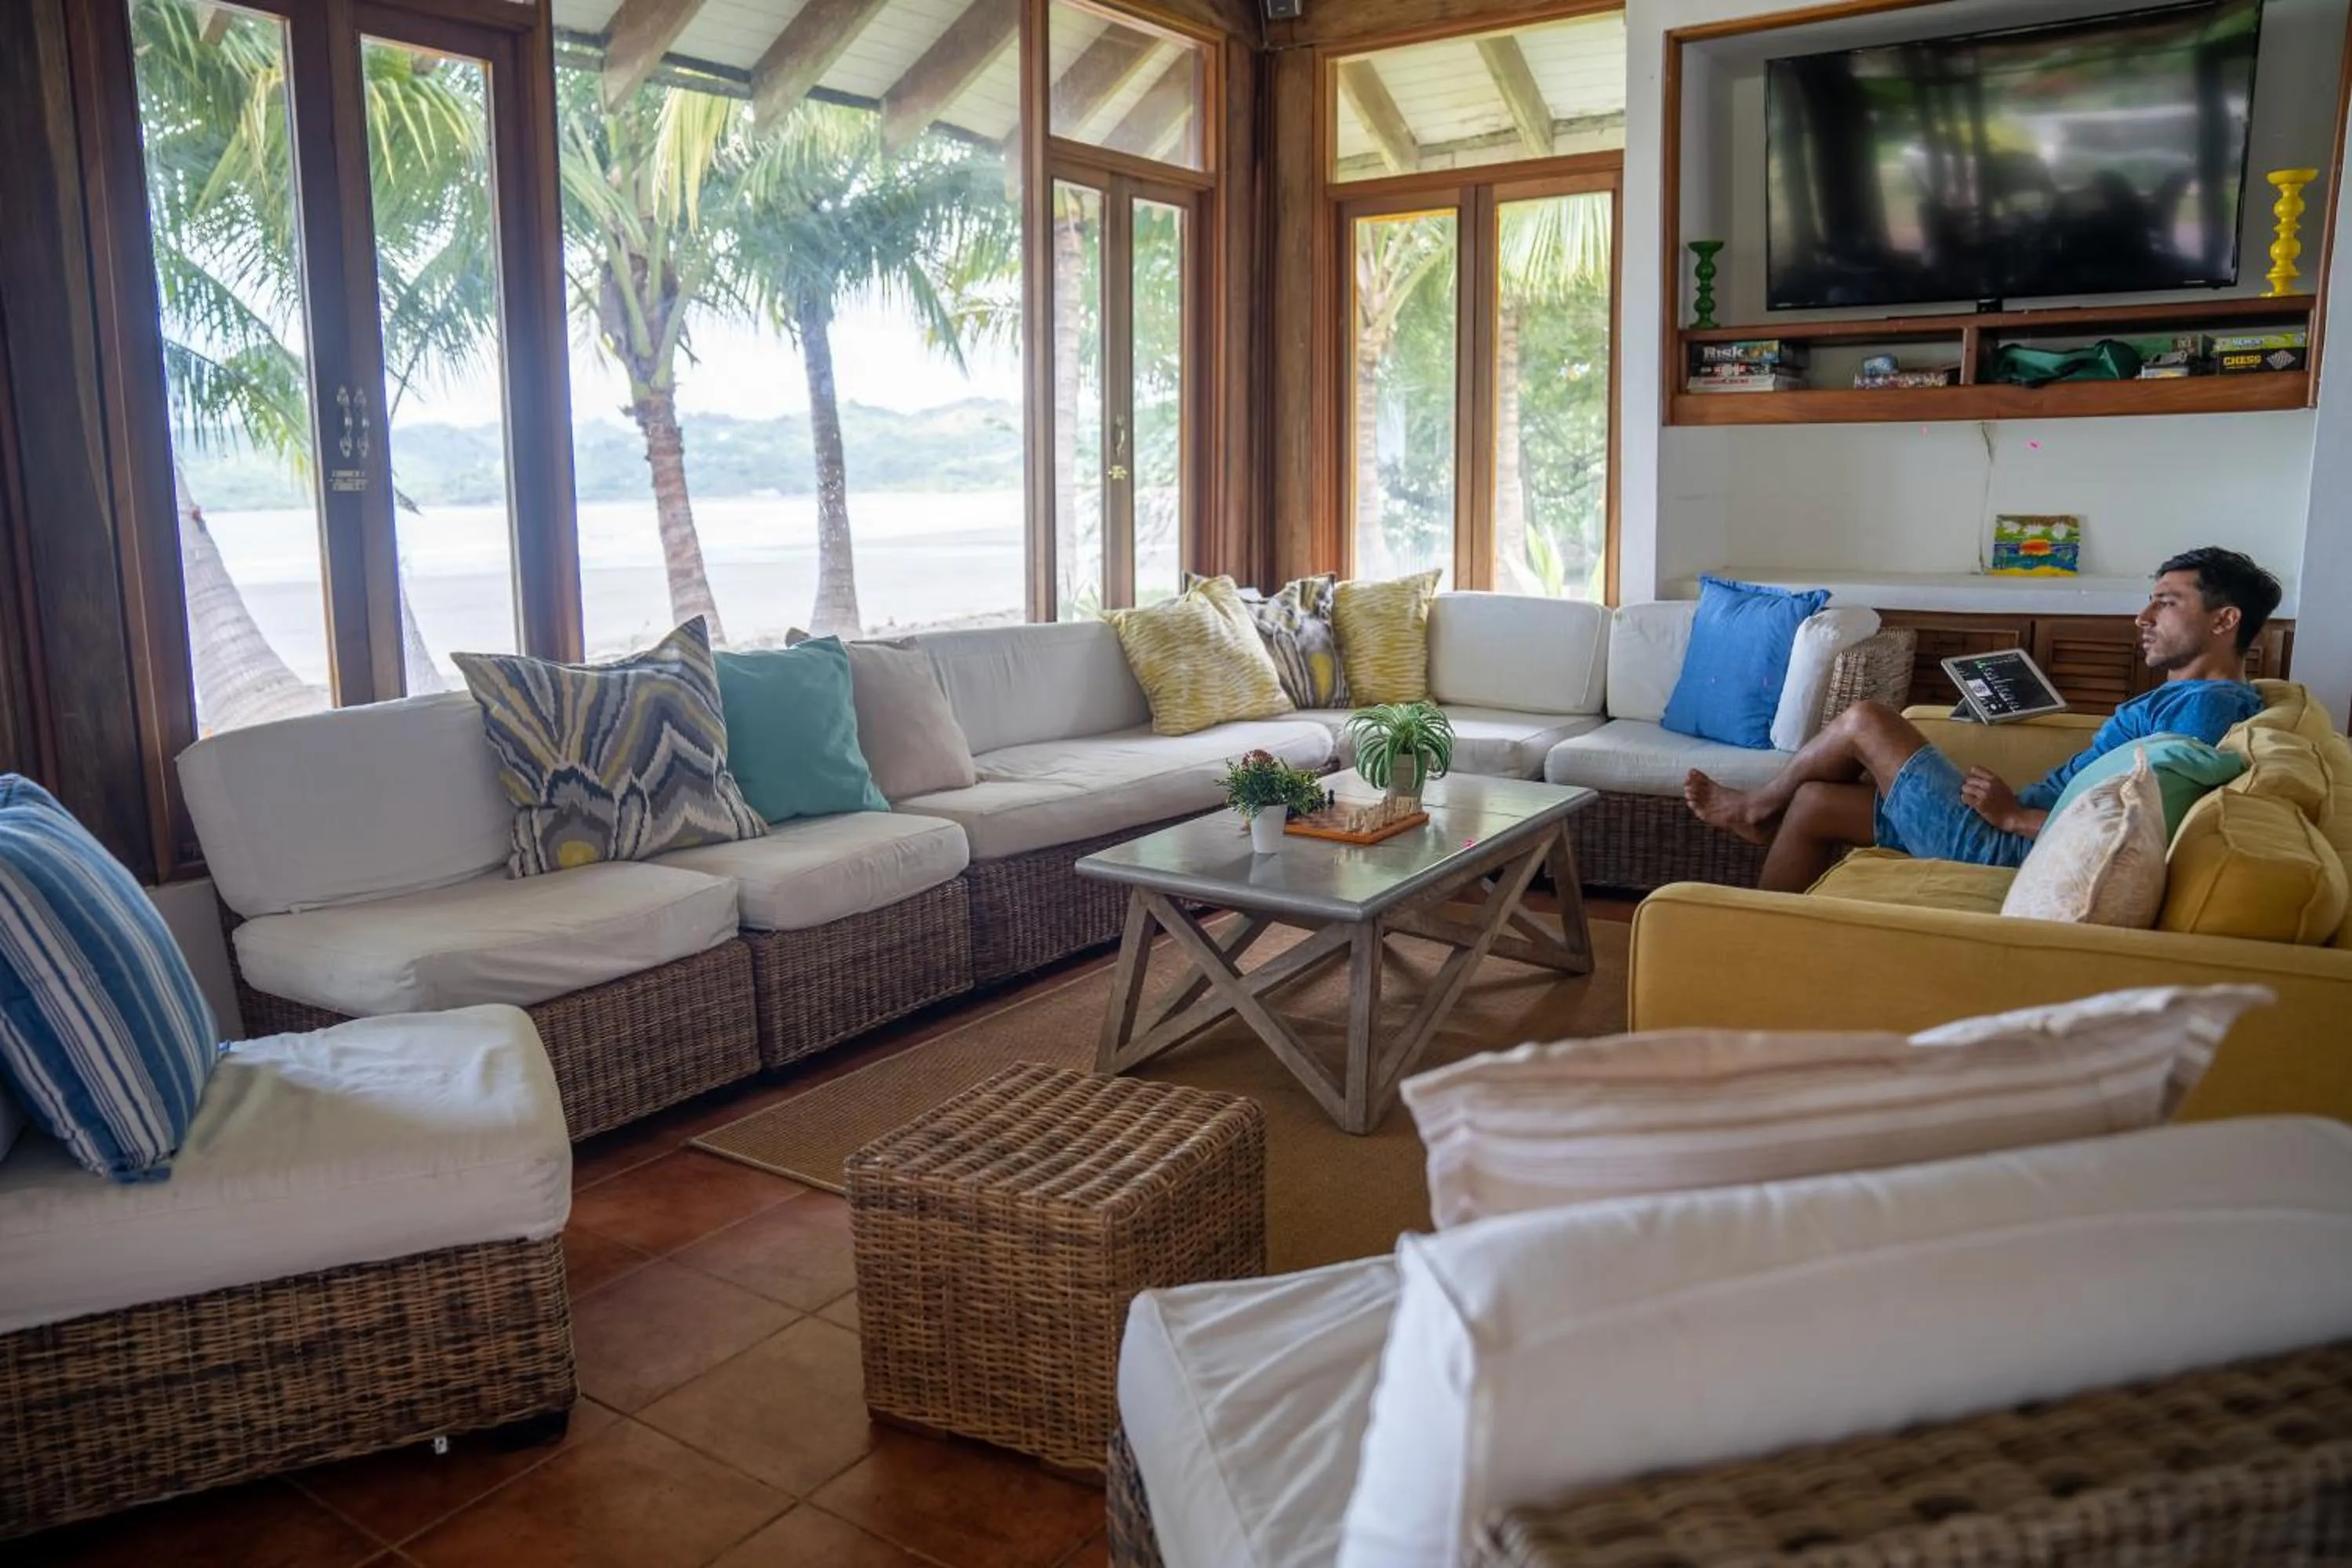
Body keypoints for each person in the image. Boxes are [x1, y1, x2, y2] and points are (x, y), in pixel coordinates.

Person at [1684, 547, 2282, 893]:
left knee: (1868, 719)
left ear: (2224, 621)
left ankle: (1755, 808)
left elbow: (2143, 820)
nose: (2142, 616)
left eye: (2167, 601)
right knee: (1816, 802)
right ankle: (1763, 932)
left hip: (2006, 844)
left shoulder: (2209, 707)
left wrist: (2017, 818)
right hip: (2011, 825)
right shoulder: (2196, 698)